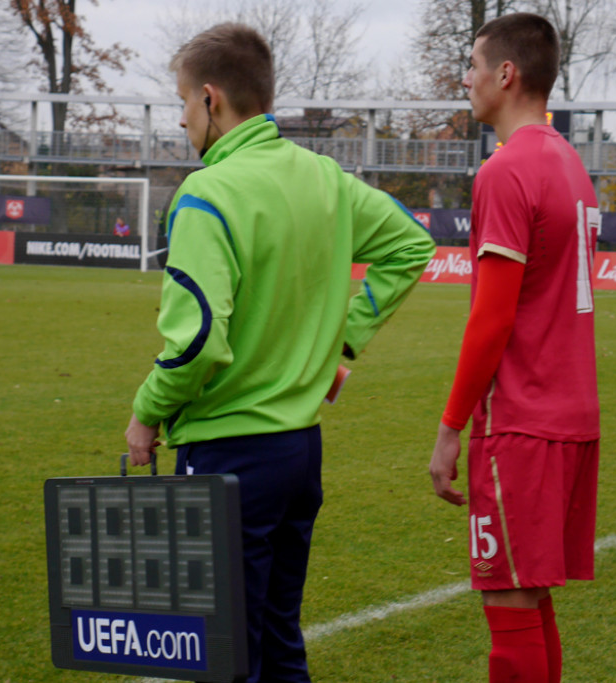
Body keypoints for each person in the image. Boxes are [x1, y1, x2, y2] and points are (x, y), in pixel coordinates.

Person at [125, 23, 435, 683]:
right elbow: (412, 244)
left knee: (226, 655)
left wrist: (145, 413)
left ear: (212, 99)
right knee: (278, 641)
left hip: (227, 455)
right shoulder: (323, 176)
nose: (181, 119)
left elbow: (200, 341)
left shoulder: (208, 193)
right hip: (299, 452)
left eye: (183, 102)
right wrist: (340, 345)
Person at [428, 13, 600, 683]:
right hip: (572, 417)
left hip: (522, 424)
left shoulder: (507, 170)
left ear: (507, 74)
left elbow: (490, 319)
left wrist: (449, 430)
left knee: (507, 599)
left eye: (472, 65)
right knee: (531, 595)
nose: (464, 79)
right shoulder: (569, 163)